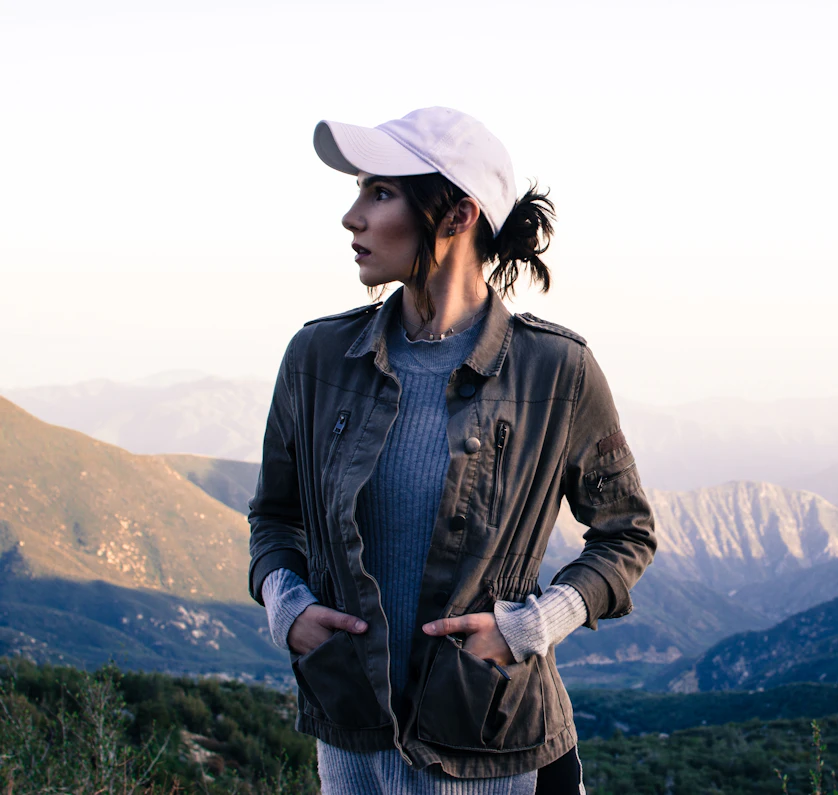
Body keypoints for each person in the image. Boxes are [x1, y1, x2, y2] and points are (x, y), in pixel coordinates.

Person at [247, 106, 656, 795]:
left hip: (498, 748)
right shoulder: (317, 359)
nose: (353, 217)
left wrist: (531, 625)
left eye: (379, 192)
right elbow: (273, 517)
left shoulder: (556, 370)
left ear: (458, 215)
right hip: (354, 744)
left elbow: (627, 535)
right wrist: (284, 607)